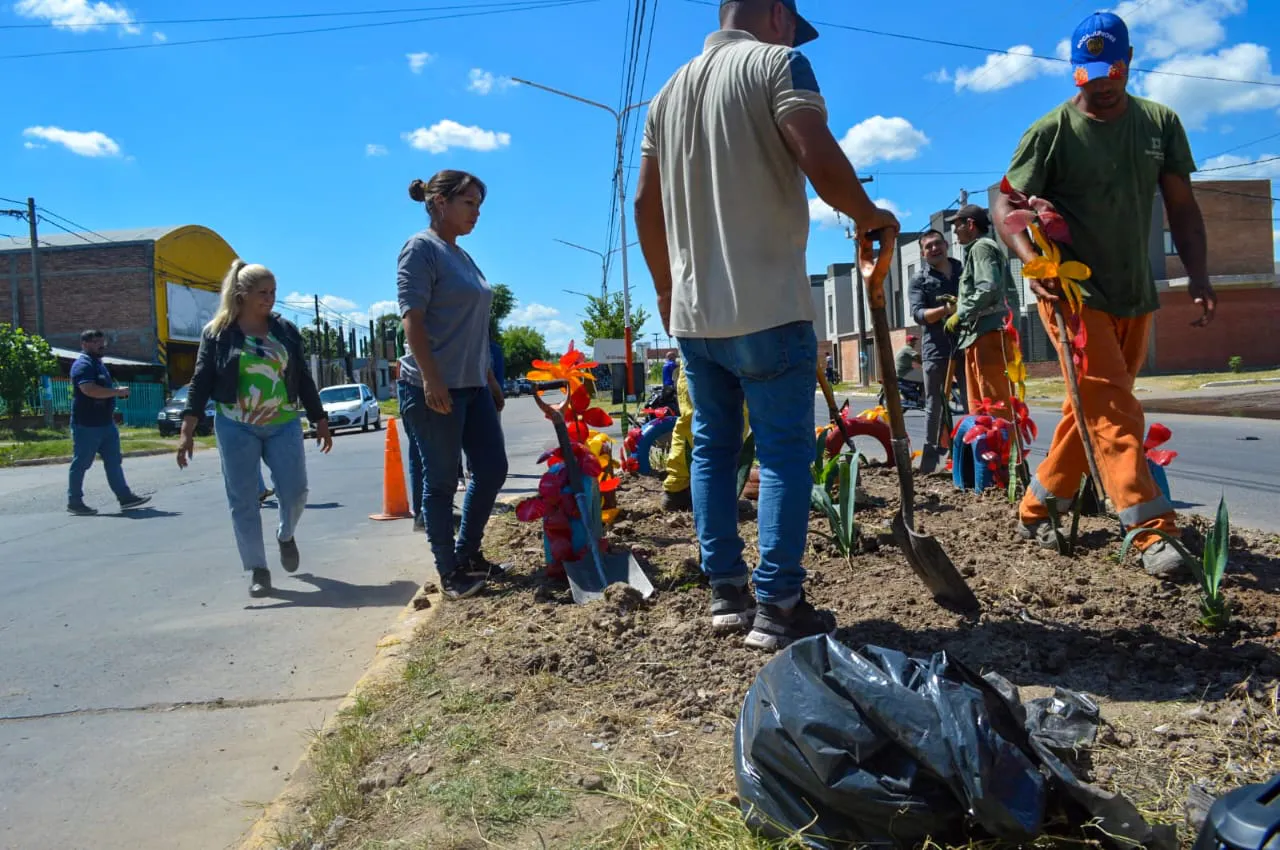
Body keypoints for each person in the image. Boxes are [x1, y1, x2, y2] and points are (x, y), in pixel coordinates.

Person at [634, 0, 899, 650]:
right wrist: (871, 216)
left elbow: (645, 202)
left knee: (712, 448)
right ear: (776, 13)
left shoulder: (665, 96)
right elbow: (815, 152)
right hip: (770, 305)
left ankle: (727, 595)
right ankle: (779, 605)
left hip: (697, 318)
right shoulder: (780, 64)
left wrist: (668, 291)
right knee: (782, 453)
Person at [992, 11, 1215, 578]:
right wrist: (1031, 262)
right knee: (1114, 411)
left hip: (1133, 292)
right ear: (1075, 73)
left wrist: (1199, 274)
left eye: (1110, 71)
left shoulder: (1159, 124)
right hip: (1071, 290)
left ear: (1130, 61)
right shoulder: (1051, 132)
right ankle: (1149, 530)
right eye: (1087, 75)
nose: (1101, 85)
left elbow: (1182, 209)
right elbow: (1005, 205)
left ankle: (1037, 505)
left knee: (1089, 407)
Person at [177, 260, 333, 598]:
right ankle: (258, 569)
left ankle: (285, 534)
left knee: (295, 492)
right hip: (236, 426)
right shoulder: (217, 334)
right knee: (243, 500)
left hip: (283, 422)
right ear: (242, 294)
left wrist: (319, 418)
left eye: (273, 291)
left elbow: (303, 377)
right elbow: (201, 380)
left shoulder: (286, 330)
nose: (270, 298)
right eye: (263, 292)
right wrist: (187, 429)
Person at [397, 170, 509, 601]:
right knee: (442, 482)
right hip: (434, 387)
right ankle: (450, 573)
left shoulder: (462, 256)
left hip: (473, 385)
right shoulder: (420, 249)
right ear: (440, 202)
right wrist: (430, 377)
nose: (476, 213)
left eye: (479, 204)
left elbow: (474, 327)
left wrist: (490, 377)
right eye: (469, 203)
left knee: (492, 468)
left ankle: (468, 553)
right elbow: (413, 318)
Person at [66, 329, 152, 516]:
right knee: (81, 463)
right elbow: (88, 389)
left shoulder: (98, 364)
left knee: (114, 461)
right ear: (85, 344)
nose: (101, 345)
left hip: (106, 423)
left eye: (102, 341)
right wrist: (116, 392)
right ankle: (75, 501)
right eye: (96, 341)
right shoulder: (83, 364)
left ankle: (125, 497)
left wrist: (115, 393)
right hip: (87, 424)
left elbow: (102, 390)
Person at [944, 205, 1020, 415]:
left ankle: (1002, 447)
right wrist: (962, 302)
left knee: (994, 404)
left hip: (989, 333)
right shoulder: (978, 249)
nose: (955, 231)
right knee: (981, 405)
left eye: (957, 225)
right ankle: (989, 446)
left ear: (970, 225)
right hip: (981, 333)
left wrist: (962, 312)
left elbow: (988, 287)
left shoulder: (981, 248)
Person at [909, 229, 966, 473]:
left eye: (937, 244)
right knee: (934, 405)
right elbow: (919, 315)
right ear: (923, 254)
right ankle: (930, 463)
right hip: (936, 348)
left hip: (966, 344)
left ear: (946, 245)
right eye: (928, 246)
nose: (934, 249)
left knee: (971, 400)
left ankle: (968, 456)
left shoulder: (962, 270)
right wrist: (946, 310)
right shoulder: (919, 280)